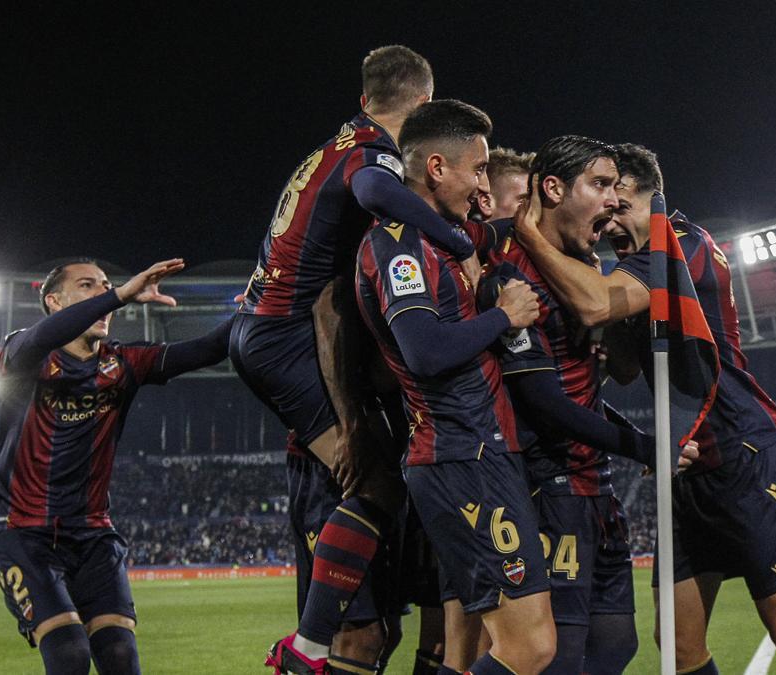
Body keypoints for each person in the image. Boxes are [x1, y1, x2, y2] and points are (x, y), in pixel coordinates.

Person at [512, 143, 776, 674]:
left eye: (611, 201)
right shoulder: (634, 262)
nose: (604, 218)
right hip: (686, 460)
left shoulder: (681, 242)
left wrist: (529, 234)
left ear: (635, 195)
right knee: (678, 644)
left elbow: (597, 301)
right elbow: (621, 367)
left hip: (741, 448)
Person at [230, 45, 481, 674]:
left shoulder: (333, 145)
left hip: (261, 328)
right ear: (424, 103)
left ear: (366, 97)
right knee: (374, 480)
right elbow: (373, 191)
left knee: (381, 493)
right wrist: (453, 237)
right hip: (284, 339)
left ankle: (314, 644)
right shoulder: (374, 154)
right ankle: (306, 647)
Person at [356, 99, 554, 675]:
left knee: (495, 645)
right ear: (437, 167)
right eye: (477, 168)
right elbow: (423, 350)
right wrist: (504, 316)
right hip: (459, 453)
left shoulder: (446, 237)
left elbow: (505, 228)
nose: (482, 183)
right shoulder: (397, 245)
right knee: (530, 647)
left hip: (481, 450)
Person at [485, 136, 696, 674]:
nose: (611, 200)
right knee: (560, 656)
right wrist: (646, 444)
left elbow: (592, 387)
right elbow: (546, 404)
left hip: (592, 487)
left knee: (616, 643)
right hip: (550, 487)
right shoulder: (515, 278)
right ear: (553, 189)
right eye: (600, 185)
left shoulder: (576, 267)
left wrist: (637, 446)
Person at [0, 258, 232, 675]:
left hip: (94, 535)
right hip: (23, 533)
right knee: (69, 653)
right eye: (87, 286)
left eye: (105, 286)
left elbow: (207, 350)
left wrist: (259, 301)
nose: (102, 294)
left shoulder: (123, 363)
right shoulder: (23, 353)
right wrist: (116, 295)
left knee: (119, 656)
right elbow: (41, 337)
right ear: (54, 301)